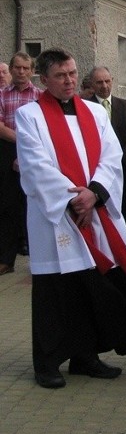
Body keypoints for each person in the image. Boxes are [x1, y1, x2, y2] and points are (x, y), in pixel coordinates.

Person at [16, 48, 126, 389]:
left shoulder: (95, 112)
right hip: (55, 217)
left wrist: (95, 192)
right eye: (60, 75)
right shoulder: (30, 116)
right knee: (55, 291)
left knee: (89, 287)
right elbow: (35, 166)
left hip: (92, 211)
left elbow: (112, 156)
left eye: (71, 73)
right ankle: (48, 362)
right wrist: (73, 199)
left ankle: (85, 356)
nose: (68, 80)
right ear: (44, 79)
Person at [0, 52, 41, 273]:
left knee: (34, 206)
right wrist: (21, 140)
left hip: (34, 154)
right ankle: (6, 260)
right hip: (7, 152)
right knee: (7, 207)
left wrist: (25, 148)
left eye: (26, 68)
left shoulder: (40, 97)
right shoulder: (1, 95)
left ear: (32, 71)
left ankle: (38, 259)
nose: (21, 72)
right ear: (12, 69)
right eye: (17, 67)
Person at [87, 66, 126, 234]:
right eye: (99, 82)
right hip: (97, 169)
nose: (104, 86)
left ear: (112, 81)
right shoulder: (85, 108)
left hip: (125, 170)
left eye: (107, 81)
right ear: (92, 84)